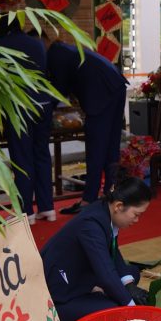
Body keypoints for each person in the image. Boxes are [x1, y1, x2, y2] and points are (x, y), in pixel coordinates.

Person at [41, 178, 152, 321]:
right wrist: (131, 308)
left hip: (80, 274)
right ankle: (65, 309)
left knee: (131, 275)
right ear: (119, 206)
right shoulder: (90, 226)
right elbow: (106, 273)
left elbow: (113, 252)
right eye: (136, 214)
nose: (137, 220)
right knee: (114, 310)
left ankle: (99, 292)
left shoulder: (105, 210)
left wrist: (129, 285)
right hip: (59, 294)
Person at [45, 32, 128, 214]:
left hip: (101, 93)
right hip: (115, 84)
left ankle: (89, 200)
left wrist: (45, 110)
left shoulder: (55, 54)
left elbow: (59, 89)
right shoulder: (65, 49)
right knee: (110, 146)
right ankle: (110, 195)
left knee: (97, 148)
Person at [0, 19, 56, 224]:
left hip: (19, 106)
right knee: (42, 154)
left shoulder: (0, 45)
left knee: (22, 159)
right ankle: (47, 208)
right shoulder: (36, 43)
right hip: (43, 103)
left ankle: (26, 211)